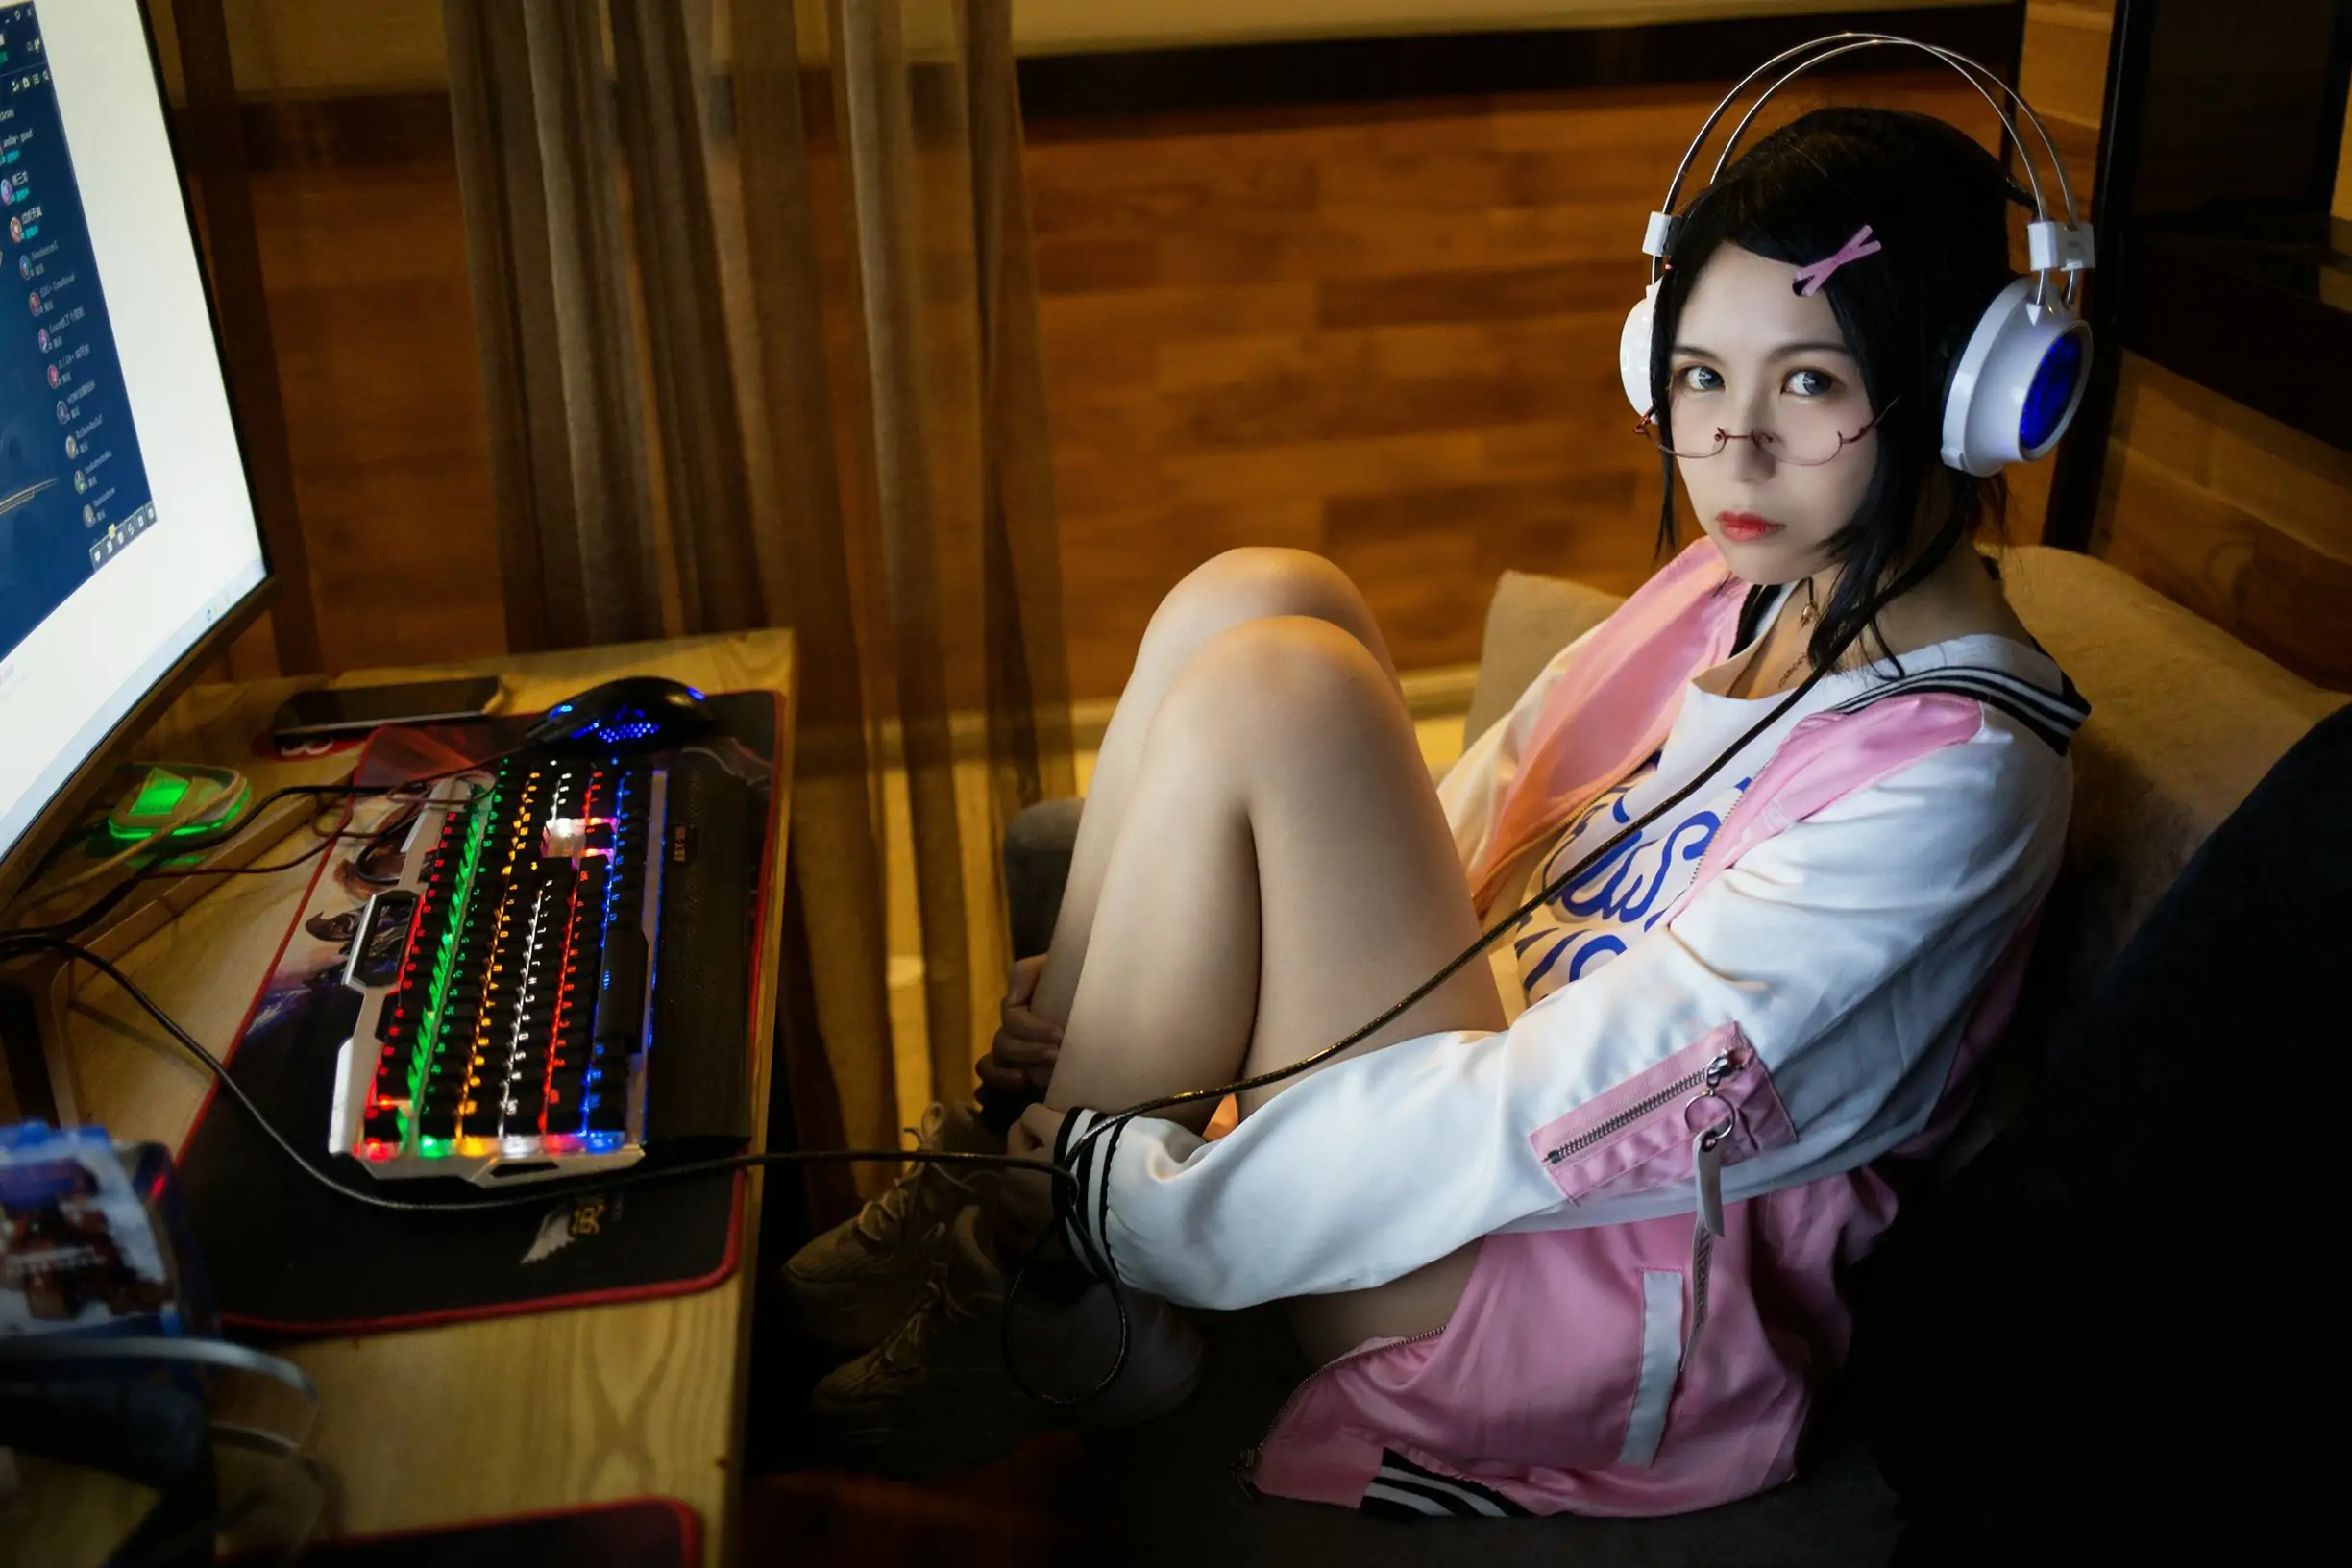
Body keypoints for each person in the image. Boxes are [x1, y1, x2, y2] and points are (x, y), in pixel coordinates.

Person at [784, 103, 2088, 1514]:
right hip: (1460, 1118)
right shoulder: (1748, 587)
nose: (1734, 446)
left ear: (1965, 394)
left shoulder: (1957, 774)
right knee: (1256, 595)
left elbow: (1586, 1110)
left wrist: (1154, 1205)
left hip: (1570, 1274)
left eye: (1813, 383)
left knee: (1285, 689)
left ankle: (1047, 1289)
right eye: (1702, 375)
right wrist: (1171, 943)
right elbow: (1484, 825)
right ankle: (1008, 1160)